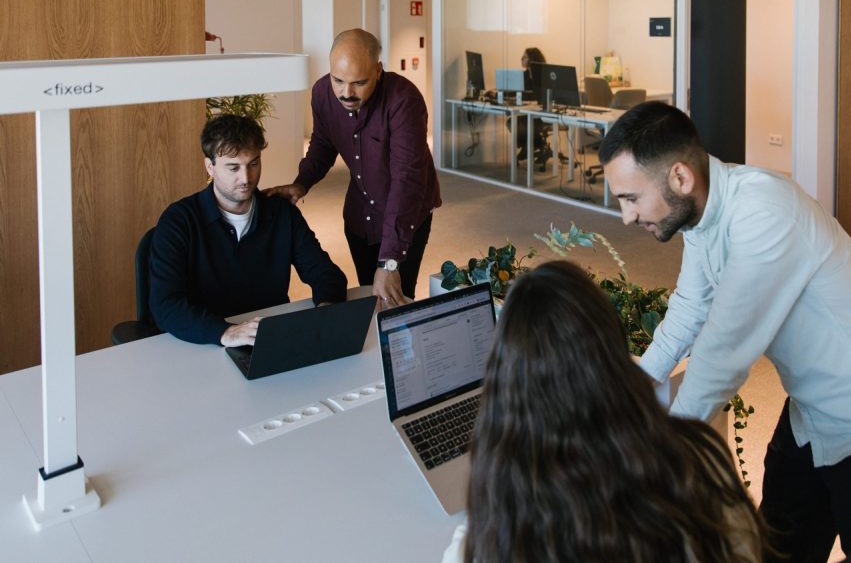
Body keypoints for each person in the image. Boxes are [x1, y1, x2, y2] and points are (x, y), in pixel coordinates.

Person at [598, 101, 851, 562]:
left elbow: (724, 351)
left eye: (630, 199)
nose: (626, 217)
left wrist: (658, 456)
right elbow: (690, 306)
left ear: (679, 178)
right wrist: (636, 389)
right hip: (810, 418)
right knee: (776, 551)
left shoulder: (763, 212)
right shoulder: (702, 214)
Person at [443, 260, 767, 563]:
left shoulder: (508, 515)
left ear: (507, 379)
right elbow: (744, 545)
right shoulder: (698, 459)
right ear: (613, 352)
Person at [266, 29, 441, 307]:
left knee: (396, 299)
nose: (346, 93)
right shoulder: (323, 93)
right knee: (367, 295)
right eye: (339, 80)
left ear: (378, 71)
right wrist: (302, 183)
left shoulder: (404, 100)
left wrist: (390, 263)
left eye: (359, 83)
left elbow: (406, 180)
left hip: (406, 212)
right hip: (360, 214)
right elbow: (323, 143)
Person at [149, 114, 348, 347]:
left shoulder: (282, 213)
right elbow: (165, 305)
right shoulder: (179, 221)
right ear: (210, 166)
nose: (246, 178)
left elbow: (327, 274)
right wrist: (226, 332)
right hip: (203, 343)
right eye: (233, 168)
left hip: (268, 340)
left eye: (253, 164)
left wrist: (325, 310)